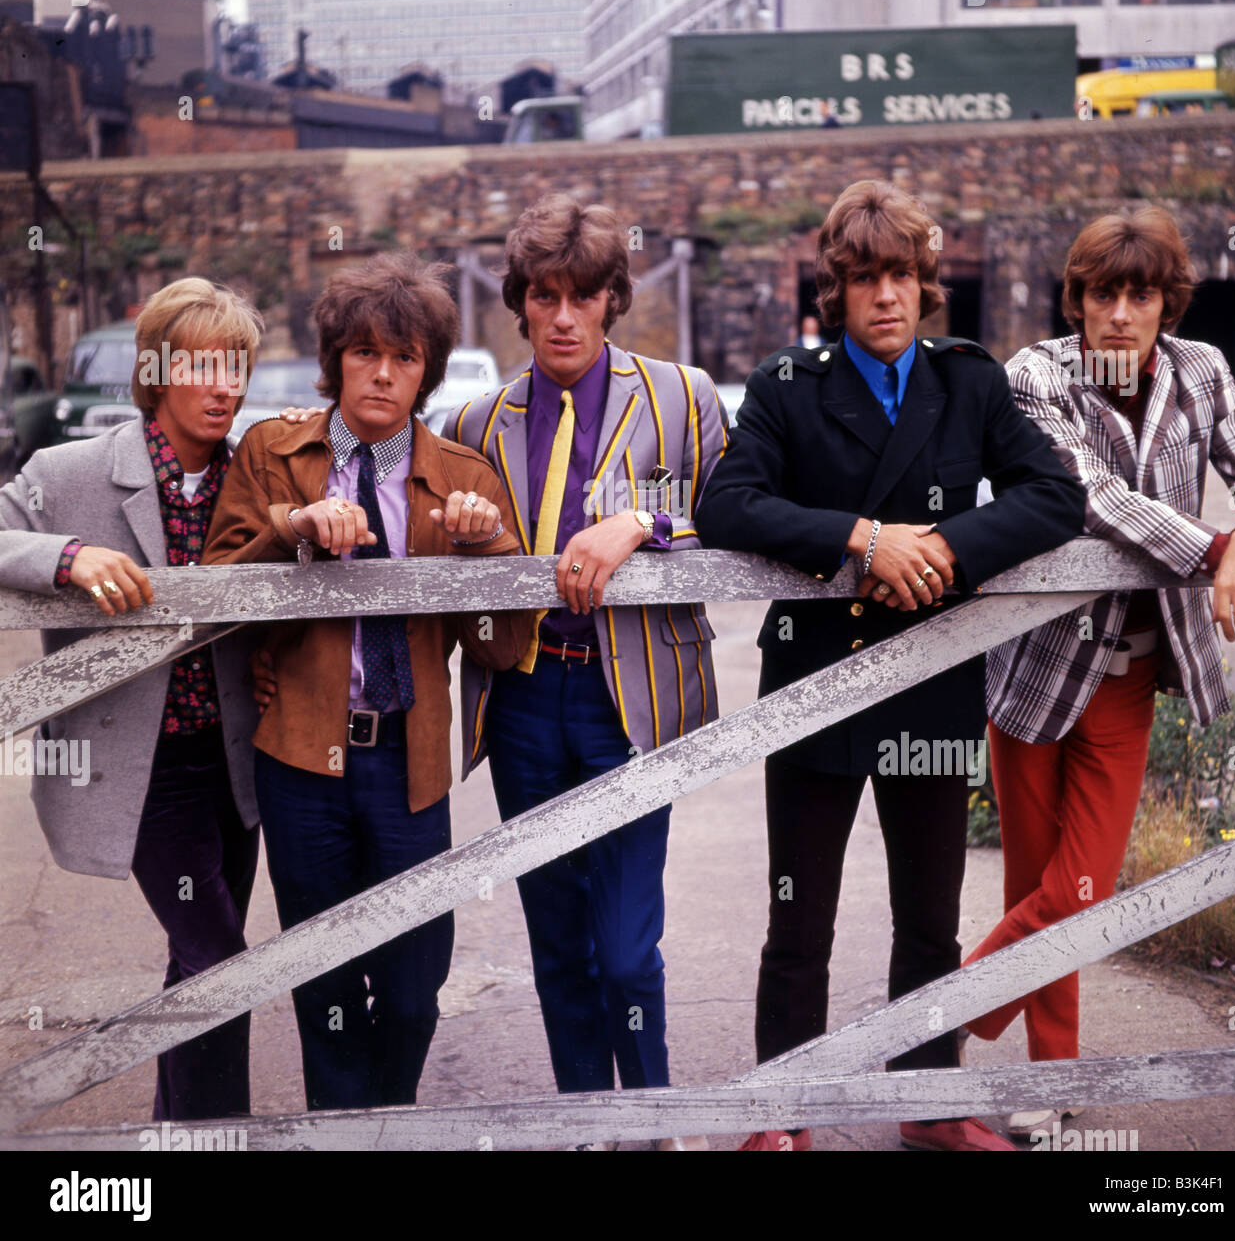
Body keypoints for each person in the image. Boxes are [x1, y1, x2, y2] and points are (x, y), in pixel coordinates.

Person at [694, 179, 1086, 1152]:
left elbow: (1053, 494)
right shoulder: (787, 384)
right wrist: (865, 537)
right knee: (799, 919)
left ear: (924, 282)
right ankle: (779, 1111)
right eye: (865, 276)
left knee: (928, 917)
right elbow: (726, 505)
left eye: (902, 275)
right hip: (816, 687)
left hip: (929, 684)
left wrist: (948, 549)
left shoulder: (967, 380)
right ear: (838, 287)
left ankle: (928, 1102)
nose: (885, 295)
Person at [203, 251, 534, 1112]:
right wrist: (293, 526)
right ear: (335, 359)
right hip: (301, 763)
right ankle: (339, 1136)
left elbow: (500, 648)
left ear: (425, 371)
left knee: (416, 988)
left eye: (405, 358)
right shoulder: (271, 453)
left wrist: (488, 550)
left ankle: (383, 1128)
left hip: (409, 764)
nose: (382, 374)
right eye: (364, 353)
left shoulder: (463, 478)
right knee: (325, 985)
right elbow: (214, 593)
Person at [967, 208, 1235, 1138]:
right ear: (1079, 299)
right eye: (1104, 293)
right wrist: (1225, 548)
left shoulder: (1202, 371)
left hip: (1133, 676)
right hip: (1035, 671)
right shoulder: (1035, 377)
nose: (1121, 314)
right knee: (1036, 885)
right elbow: (1092, 500)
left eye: (1141, 295)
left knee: (1082, 888)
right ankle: (1049, 1092)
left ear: (1167, 303)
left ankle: (938, 1022)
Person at [443, 193, 728, 1150]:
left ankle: (650, 1122)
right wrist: (470, 541)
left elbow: (739, 510)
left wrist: (644, 521)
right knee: (559, 944)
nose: (563, 317)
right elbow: (448, 555)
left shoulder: (684, 396)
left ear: (614, 301)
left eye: (583, 297)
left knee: (624, 949)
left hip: (632, 701)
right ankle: (586, 1127)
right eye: (544, 296)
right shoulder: (478, 421)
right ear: (519, 303)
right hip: (523, 698)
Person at [0, 278, 266, 1121]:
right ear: (155, 371)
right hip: (141, 772)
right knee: (222, 961)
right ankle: (212, 1141)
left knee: (196, 963)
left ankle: (177, 1131)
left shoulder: (257, 473)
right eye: (202, 366)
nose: (225, 385)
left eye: (237, 366)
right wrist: (66, 555)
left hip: (238, 763)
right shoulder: (70, 470)